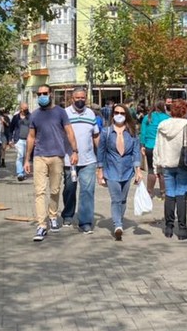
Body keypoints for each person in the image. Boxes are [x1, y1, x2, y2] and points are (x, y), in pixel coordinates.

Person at [24, 84, 77, 242]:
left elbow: (69, 132)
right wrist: (27, 159)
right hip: (39, 156)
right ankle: (41, 225)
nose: (42, 96)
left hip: (57, 156)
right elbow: (31, 137)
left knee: (54, 190)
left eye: (44, 93)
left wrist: (75, 151)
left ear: (51, 94)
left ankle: (53, 215)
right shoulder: (34, 115)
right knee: (39, 192)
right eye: (39, 94)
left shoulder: (60, 112)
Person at [153, 100, 187, 240]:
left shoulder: (162, 125)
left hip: (167, 164)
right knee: (181, 194)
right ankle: (182, 229)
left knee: (169, 194)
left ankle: (169, 227)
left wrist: (156, 165)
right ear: (184, 111)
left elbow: (157, 147)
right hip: (182, 163)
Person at [96, 104, 144, 240]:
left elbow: (135, 153)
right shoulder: (106, 132)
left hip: (127, 171)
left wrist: (138, 170)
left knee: (123, 199)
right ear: (112, 114)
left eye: (122, 113)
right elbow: (101, 151)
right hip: (111, 170)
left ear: (126, 115)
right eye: (116, 112)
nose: (119, 115)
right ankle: (117, 225)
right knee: (116, 198)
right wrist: (100, 171)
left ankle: (120, 221)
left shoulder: (132, 132)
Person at [61, 87, 100, 232]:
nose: (80, 100)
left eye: (83, 98)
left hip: (89, 160)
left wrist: (101, 154)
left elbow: (95, 135)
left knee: (88, 191)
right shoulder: (64, 113)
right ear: (72, 99)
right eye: (77, 98)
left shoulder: (90, 113)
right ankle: (68, 214)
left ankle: (85, 221)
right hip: (69, 159)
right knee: (70, 189)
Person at [139, 101, 168, 199]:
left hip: (149, 146)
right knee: (162, 170)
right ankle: (163, 192)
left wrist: (142, 145)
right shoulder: (167, 118)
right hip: (162, 146)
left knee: (151, 169)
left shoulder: (147, 118)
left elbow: (143, 133)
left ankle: (149, 192)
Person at [8, 103, 31, 181]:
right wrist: (10, 140)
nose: (26, 109)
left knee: (26, 156)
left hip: (28, 140)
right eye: (24, 108)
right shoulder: (16, 118)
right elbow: (11, 129)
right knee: (20, 156)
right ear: (20, 109)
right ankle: (20, 173)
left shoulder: (31, 117)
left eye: (27, 108)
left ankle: (24, 171)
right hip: (19, 140)